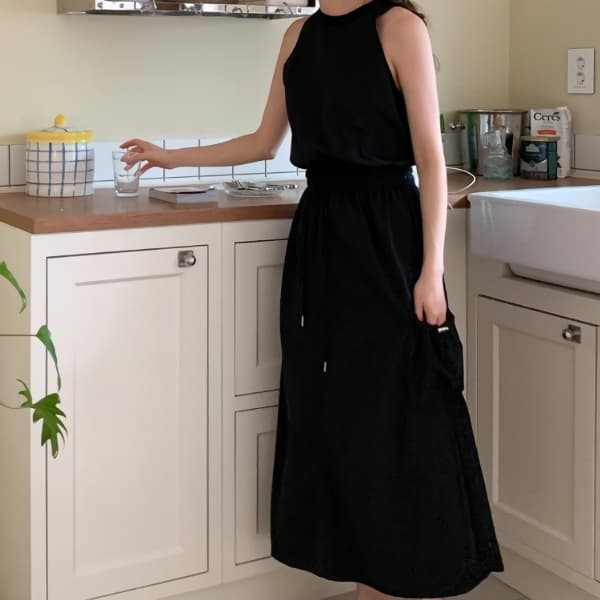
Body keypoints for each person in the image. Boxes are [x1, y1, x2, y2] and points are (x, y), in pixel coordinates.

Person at [121, 1, 504, 598]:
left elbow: (431, 159)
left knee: (394, 410)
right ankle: (365, 579)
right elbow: (264, 140)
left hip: (388, 239)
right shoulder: (299, 34)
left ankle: (397, 579)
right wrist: (172, 157)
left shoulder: (399, 26)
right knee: (329, 410)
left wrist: (432, 271)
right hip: (321, 236)